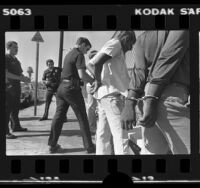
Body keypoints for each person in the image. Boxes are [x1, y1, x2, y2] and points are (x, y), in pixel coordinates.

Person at [121, 31, 190, 154]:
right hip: (169, 99)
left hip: (146, 99)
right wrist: (150, 100)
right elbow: (167, 58)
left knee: (153, 153)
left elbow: (139, 72)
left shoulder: (142, 37)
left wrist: (129, 103)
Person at [87, 31, 136, 155]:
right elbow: (94, 63)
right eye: (131, 42)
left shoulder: (113, 46)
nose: (131, 47)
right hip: (113, 96)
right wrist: (98, 81)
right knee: (122, 135)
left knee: (103, 135)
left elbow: (91, 63)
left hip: (105, 97)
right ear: (125, 38)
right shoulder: (116, 43)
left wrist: (98, 81)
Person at [47, 37, 95, 153]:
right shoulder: (79, 54)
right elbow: (82, 74)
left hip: (61, 88)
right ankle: (89, 146)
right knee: (82, 117)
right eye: (87, 49)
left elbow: (72, 73)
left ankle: (52, 145)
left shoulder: (68, 54)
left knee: (58, 117)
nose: (87, 52)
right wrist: (94, 81)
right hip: (72, 89)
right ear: (82, 44)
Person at [6, 41, 30, 139]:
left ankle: (16, 126)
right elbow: (6, 73)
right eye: (14, 47)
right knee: (6, 110)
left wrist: (25, 79)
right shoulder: (5, 58)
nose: (17, 49)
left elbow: (20, 74)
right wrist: (20, 78)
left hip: (16, 87)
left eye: (17, 47)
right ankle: (5, 132)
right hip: (8, 87)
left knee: (15, 108)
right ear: (8, 48)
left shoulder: (17, 60)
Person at [86, 50, 98, 135]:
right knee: (91, 107)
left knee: (95, 107)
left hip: (96, 87)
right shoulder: (90, 65)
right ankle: (91, 127)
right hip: (91, 87)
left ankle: (94, 126)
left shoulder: (96, 64)